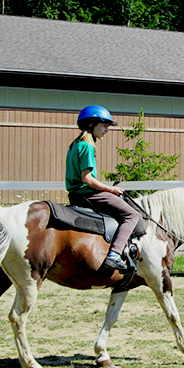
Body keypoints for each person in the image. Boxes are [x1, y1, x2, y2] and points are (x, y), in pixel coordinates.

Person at [65, 105, 140, 273]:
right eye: (104, 125)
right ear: (92, 124)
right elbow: (87, 179)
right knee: (132, 214)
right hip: (88, 194)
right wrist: (109, 189)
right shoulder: (87, 146)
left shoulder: (75, 145)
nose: (107, 129)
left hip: (75, 194)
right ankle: (114, 255)